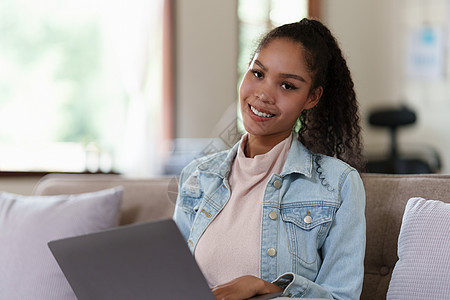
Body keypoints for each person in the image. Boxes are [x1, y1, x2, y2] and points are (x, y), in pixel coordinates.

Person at [173, 18, 366, 300]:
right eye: (258, 73)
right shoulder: (197, 176)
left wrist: (265, 287)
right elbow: (171, 280)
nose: (263, 94)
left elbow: (342, 298)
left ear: (312, 98)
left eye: (287, 85)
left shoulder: (340, 185)